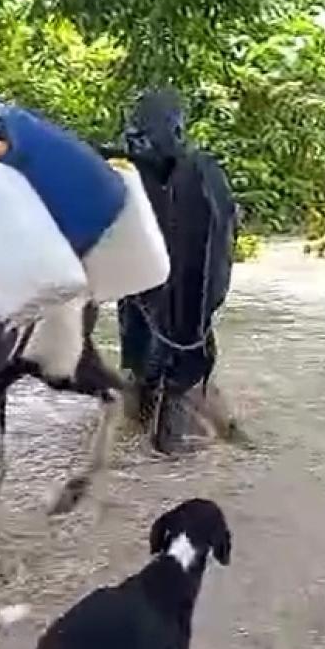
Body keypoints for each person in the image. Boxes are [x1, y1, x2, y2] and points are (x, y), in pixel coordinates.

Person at [104, 89, 238, 454]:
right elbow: (221, 246)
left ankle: (154, 421)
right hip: (176, 315)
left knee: (152, 369)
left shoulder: (129, 176)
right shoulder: (200, 173)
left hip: (157, 306)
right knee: (171, 372)